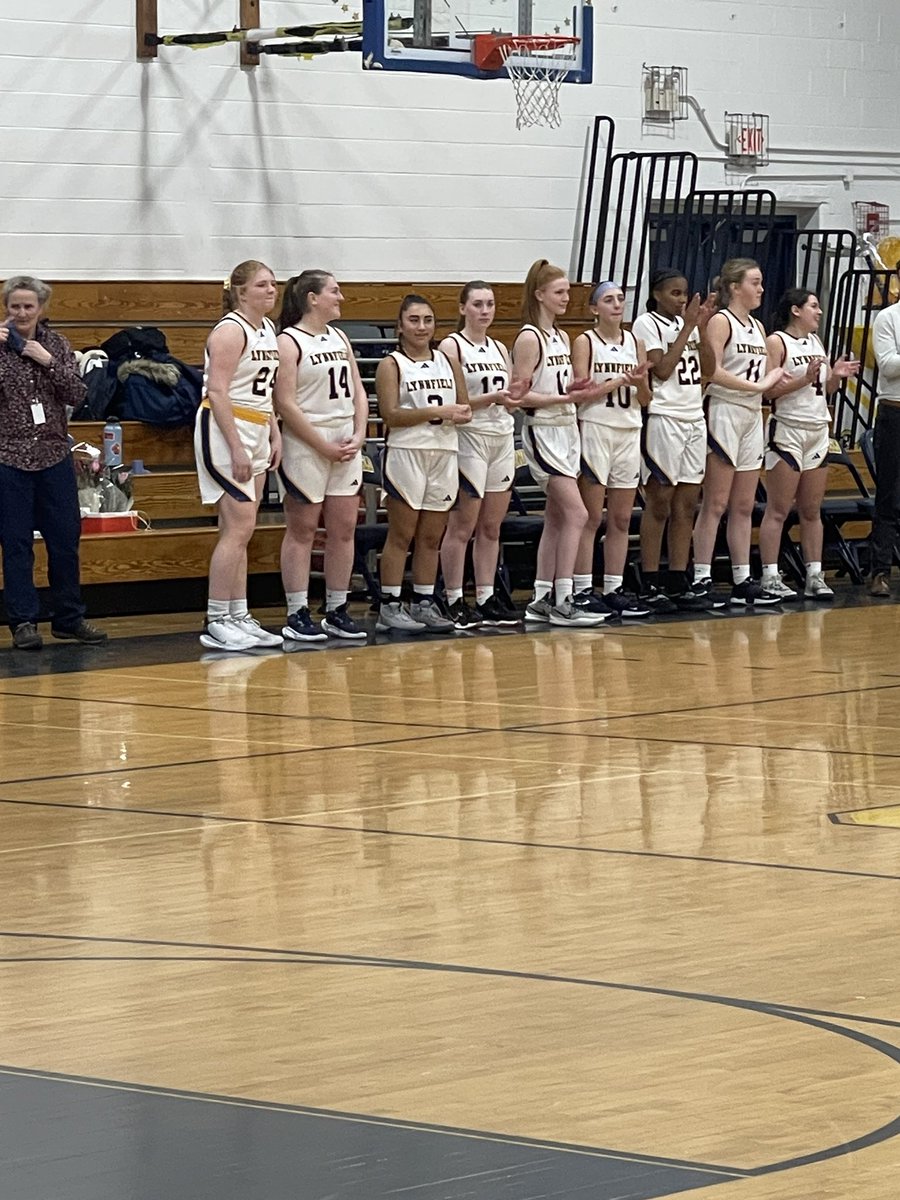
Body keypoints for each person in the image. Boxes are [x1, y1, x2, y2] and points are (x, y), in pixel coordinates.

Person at [0, 275, 106, 650]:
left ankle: (68, 617)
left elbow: (78, 393)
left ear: (41, 309)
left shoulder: (57, 345)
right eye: (15, 306)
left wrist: (45, 361)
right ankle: (23, 621)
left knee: (64, 540)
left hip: (53, 455)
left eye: (29, 306)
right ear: (6, 308)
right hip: (9, 458)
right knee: (16, 545)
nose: (22, 313)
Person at [275, 271, 368, 641]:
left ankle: (336, 608)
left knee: (344, 529)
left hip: (344, 439)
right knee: (303, 529)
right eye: (334, 291)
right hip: (306, 441)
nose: (340, 297)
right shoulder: (288, 341)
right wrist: (321, 444)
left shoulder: (339, 336)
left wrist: (360, 433)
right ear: (312, 298)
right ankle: (297, 610)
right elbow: (284, 402)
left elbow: (359, 390)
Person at [194, 260, 283, 651]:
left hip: (257, 425)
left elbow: (266, 392)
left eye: (274, 284)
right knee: (237, 528)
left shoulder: (268, 329)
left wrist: (274, 433)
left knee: (244, 530)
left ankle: (238, 613)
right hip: (225, 429)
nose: (271, 290)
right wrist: (236, 446)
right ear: (241, 291)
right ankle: (216, 618)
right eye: (262, 285)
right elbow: (218, 391)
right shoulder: (231, 330)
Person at [691, 258, 790, 606]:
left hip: (751, 415)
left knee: (744, 504)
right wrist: (758, 386)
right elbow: (711, 371)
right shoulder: (721, 321)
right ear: (735, 287)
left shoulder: (759, 327)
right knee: (715, 503)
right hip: (724, 409)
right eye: (755, 282)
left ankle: (741, 577)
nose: (761, 289)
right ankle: (701, 576)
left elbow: (762, 376)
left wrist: (778, 381)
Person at [511, 259, 604, 628]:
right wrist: (561, 400)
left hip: (566, 430)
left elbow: (555, 387)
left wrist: (573, 392)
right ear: (539, 295)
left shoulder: (561, 337)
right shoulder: (529, 336)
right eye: (560, 292)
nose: (567, 298)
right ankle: (564, 599)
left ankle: (539, 598)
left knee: (556, 518)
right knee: (579, 514)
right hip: (543, 430)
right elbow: (520, 397)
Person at [375, 294, 471, 633]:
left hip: (444, 452)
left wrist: (458, 413)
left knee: (432, 536)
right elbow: (389, 415)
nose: (421, 327)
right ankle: (389, 605)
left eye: (427, 320)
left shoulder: (448, 360)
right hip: (406, 452)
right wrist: (435, 412)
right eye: (414, 320)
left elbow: (464, 408)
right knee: (402, 533)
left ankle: (424, 601)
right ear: (400, 325)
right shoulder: (392, 364)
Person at [758, 288, 860, 600]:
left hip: (817, 429)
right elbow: (767, 392)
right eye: (813, 306)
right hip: (787, 429)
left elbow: (822, 390)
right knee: (778, 509)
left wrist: (836, 377)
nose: (819, 311)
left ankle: (815, 575)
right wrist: (803, 379)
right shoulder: (777, 341)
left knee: (812, 509)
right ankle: (770, 577)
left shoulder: (816, 341)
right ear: (795, 310)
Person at [632, 271, 718, 612]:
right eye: (675, 293)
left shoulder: (690, 324)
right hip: (664, 418)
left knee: (687, 504)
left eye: (684, 293)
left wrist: (701, 327)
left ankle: (678, 578)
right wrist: (687, 327)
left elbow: (709, 368)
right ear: (656, 294)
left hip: (694, 417)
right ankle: (649, 578)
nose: (682, 300)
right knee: (660, 502)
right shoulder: (646, 323)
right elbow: (662, 369)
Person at [438, 281, 520, 629]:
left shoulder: (501, 347)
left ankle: (486, 597)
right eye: (477, 304)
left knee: (491, 525)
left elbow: (512, 395)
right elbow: (453, 403)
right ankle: (453, 598)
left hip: (501, 437)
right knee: (462, 525)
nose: (485, 311)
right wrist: (492, 399)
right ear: (462, 309)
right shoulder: (451, 346)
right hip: (468, 438)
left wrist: (515, 398)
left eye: (489, 304)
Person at [570, 280, 652, 618]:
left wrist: (639, 384)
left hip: (629, 429)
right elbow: (580, 394)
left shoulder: (637, 342)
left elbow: (646, 399)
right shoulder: (585, 341)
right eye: (608, 300)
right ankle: (582, 587)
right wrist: (619, 381)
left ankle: (614, 587)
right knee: (591, 516)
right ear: (594, 308)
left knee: (620, 517)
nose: (617, 305)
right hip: (596, 428)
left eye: (620, 299)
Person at [869, 281, 900, 597]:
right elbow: (888, 366)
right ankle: (879, 571)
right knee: (889, 497)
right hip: (895, 412)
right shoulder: (888, 317)